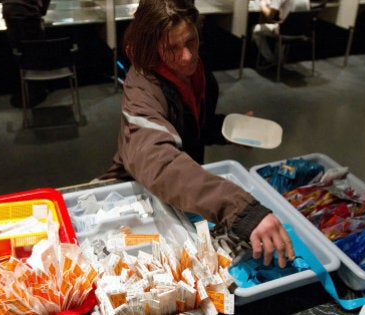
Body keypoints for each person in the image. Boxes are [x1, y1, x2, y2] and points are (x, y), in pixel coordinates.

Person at [99, 0, 295, 267]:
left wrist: (223, 128)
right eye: (173, 48)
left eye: (190, 41)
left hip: (184, 185)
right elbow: (158, 160)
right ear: (152, 47)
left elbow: (187, 123)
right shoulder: (142, 85)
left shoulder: (193, 69)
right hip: (137, 189)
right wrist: (241, 211)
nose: (188, 56)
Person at [1, 0, 51, 107]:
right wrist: (41, 11)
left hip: (9, 14)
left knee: (18, 52)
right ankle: (35, 93)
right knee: (34, 53)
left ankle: (22, 90)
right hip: (28, 15)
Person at [252, 0, 310, 67]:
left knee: (255, 29)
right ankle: (279, 59)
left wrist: (262, 5)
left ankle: (271, 60)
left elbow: (269, 15)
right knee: (280, 25)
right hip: (301, 33)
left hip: (284, 32)